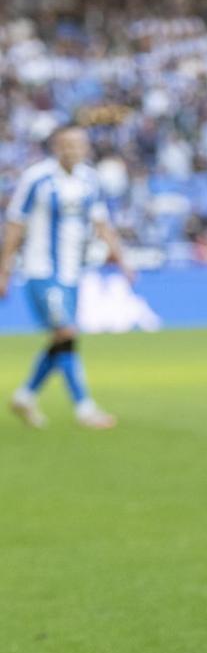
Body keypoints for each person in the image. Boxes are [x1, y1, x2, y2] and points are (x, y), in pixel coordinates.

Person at [0, 126, 132, 429]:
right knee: (67, 333)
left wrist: (122, 260)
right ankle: (84, 408)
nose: (73, 150)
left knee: (62, 338)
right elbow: (15, 224)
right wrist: (4, 269)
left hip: (72, 273)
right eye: (67, 144)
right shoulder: (37, 178)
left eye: (79, 144)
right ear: (56, 147)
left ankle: (25, 395)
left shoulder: (89, 179)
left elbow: (101, 222)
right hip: (41, 270)